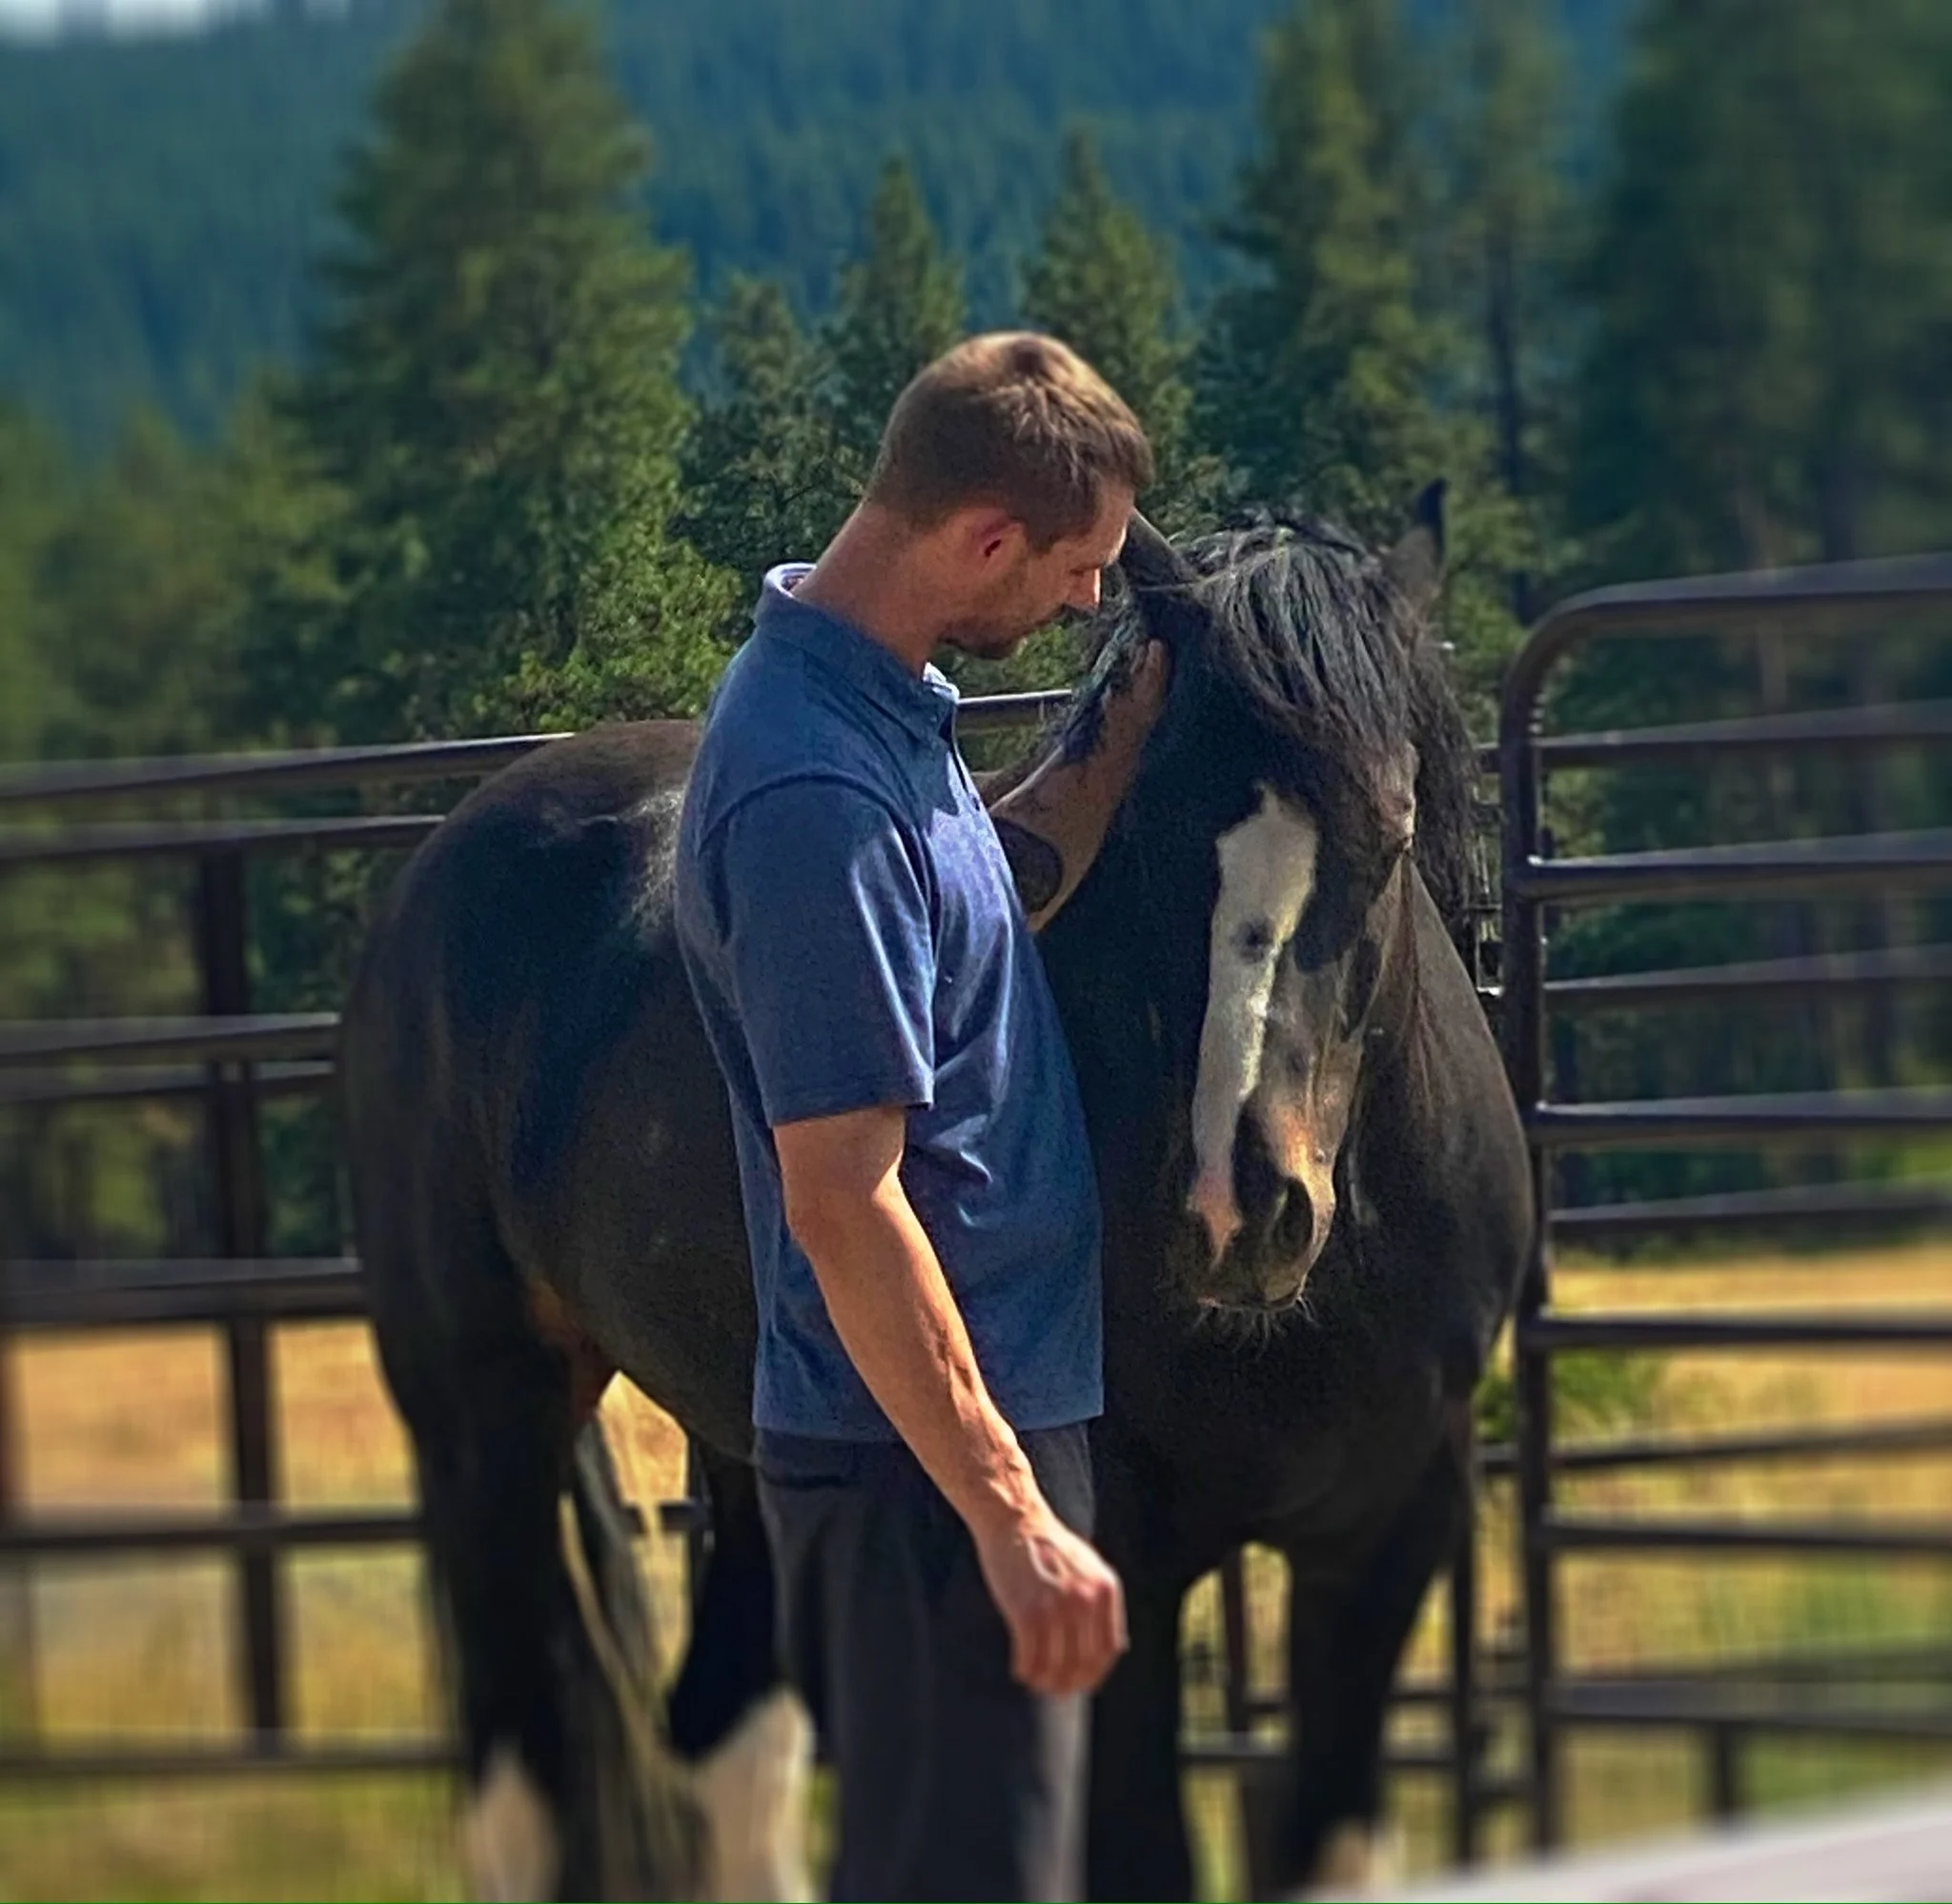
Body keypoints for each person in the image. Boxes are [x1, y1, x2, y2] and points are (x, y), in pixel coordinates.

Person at [674, 331, 1168, 1901]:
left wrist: (1118, 745)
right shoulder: (818, 796)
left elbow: (959, 936)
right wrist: (1010, 1518)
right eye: (1079, 568)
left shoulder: (881, 714)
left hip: (961, 1451)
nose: (1088, 599)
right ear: (984, 539)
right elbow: (843, 1198)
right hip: (927, 1484)